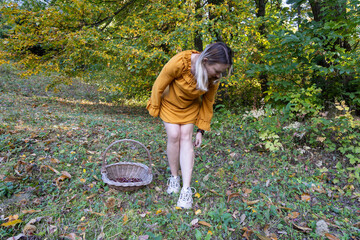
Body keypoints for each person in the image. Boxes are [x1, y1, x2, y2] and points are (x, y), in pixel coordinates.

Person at [146, 42, 233, 209]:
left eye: (221, 72)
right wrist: (154, 108)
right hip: (169, 103)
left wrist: (201, 130)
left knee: (186, 137)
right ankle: (174, 178)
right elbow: (159, 85)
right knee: (174, 136)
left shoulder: (213, 78)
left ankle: (186, 189)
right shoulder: (180, 62)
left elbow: (208, 102)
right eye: (217, 71)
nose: (218, 76)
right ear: (205, 60)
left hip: (190, 107)